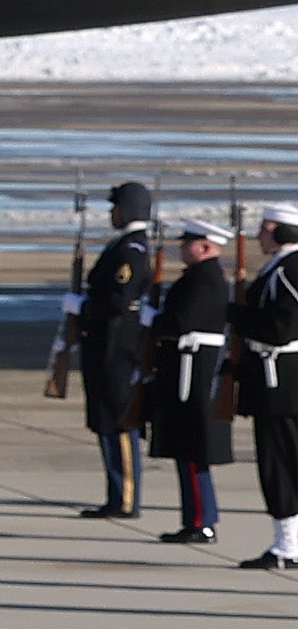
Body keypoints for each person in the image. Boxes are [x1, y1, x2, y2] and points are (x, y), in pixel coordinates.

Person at [45, 180, 159, 517]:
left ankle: (125, 498)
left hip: (118, 347)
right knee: (105, 419)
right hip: (104, 346)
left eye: (115, 208)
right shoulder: (123, 246)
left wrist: (83, 307)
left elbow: (119, 301)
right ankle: (114, 493)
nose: (112, 214)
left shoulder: (131, 251)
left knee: (120, 420)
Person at [151, 218, 237, 544]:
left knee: (192, 446)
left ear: (205, 246)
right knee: (186, 448)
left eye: (188, 241)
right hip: (186, 367)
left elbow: (182, 321)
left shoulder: (206, 280)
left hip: (194, 370)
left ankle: (202, 521)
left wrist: (155, 321)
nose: (181, 246)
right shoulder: (199, 277)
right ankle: (196, 518)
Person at [241, 210, 298, 571]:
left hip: (281, 378)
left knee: (280, 462)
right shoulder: (282, 267)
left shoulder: (287, 269)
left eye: (263, 230)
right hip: (281, 378)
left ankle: (287, 545)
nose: (259, 236)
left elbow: (281, 328)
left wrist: (234, 314)